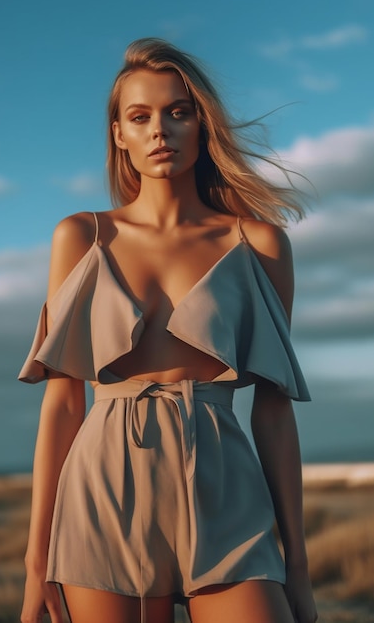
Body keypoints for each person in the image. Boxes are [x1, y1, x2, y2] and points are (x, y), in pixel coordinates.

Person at [19, 38, 317, 623]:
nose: (160, 130)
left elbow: (275, 412)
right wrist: (35, 564)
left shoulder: (257, 243)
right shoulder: (81, 238)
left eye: (178, 112)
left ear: (202, 126)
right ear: (119, 135)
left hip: (226, 491)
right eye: (141, 116)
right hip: (101, 491)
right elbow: (62, 405)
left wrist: (298, 570)